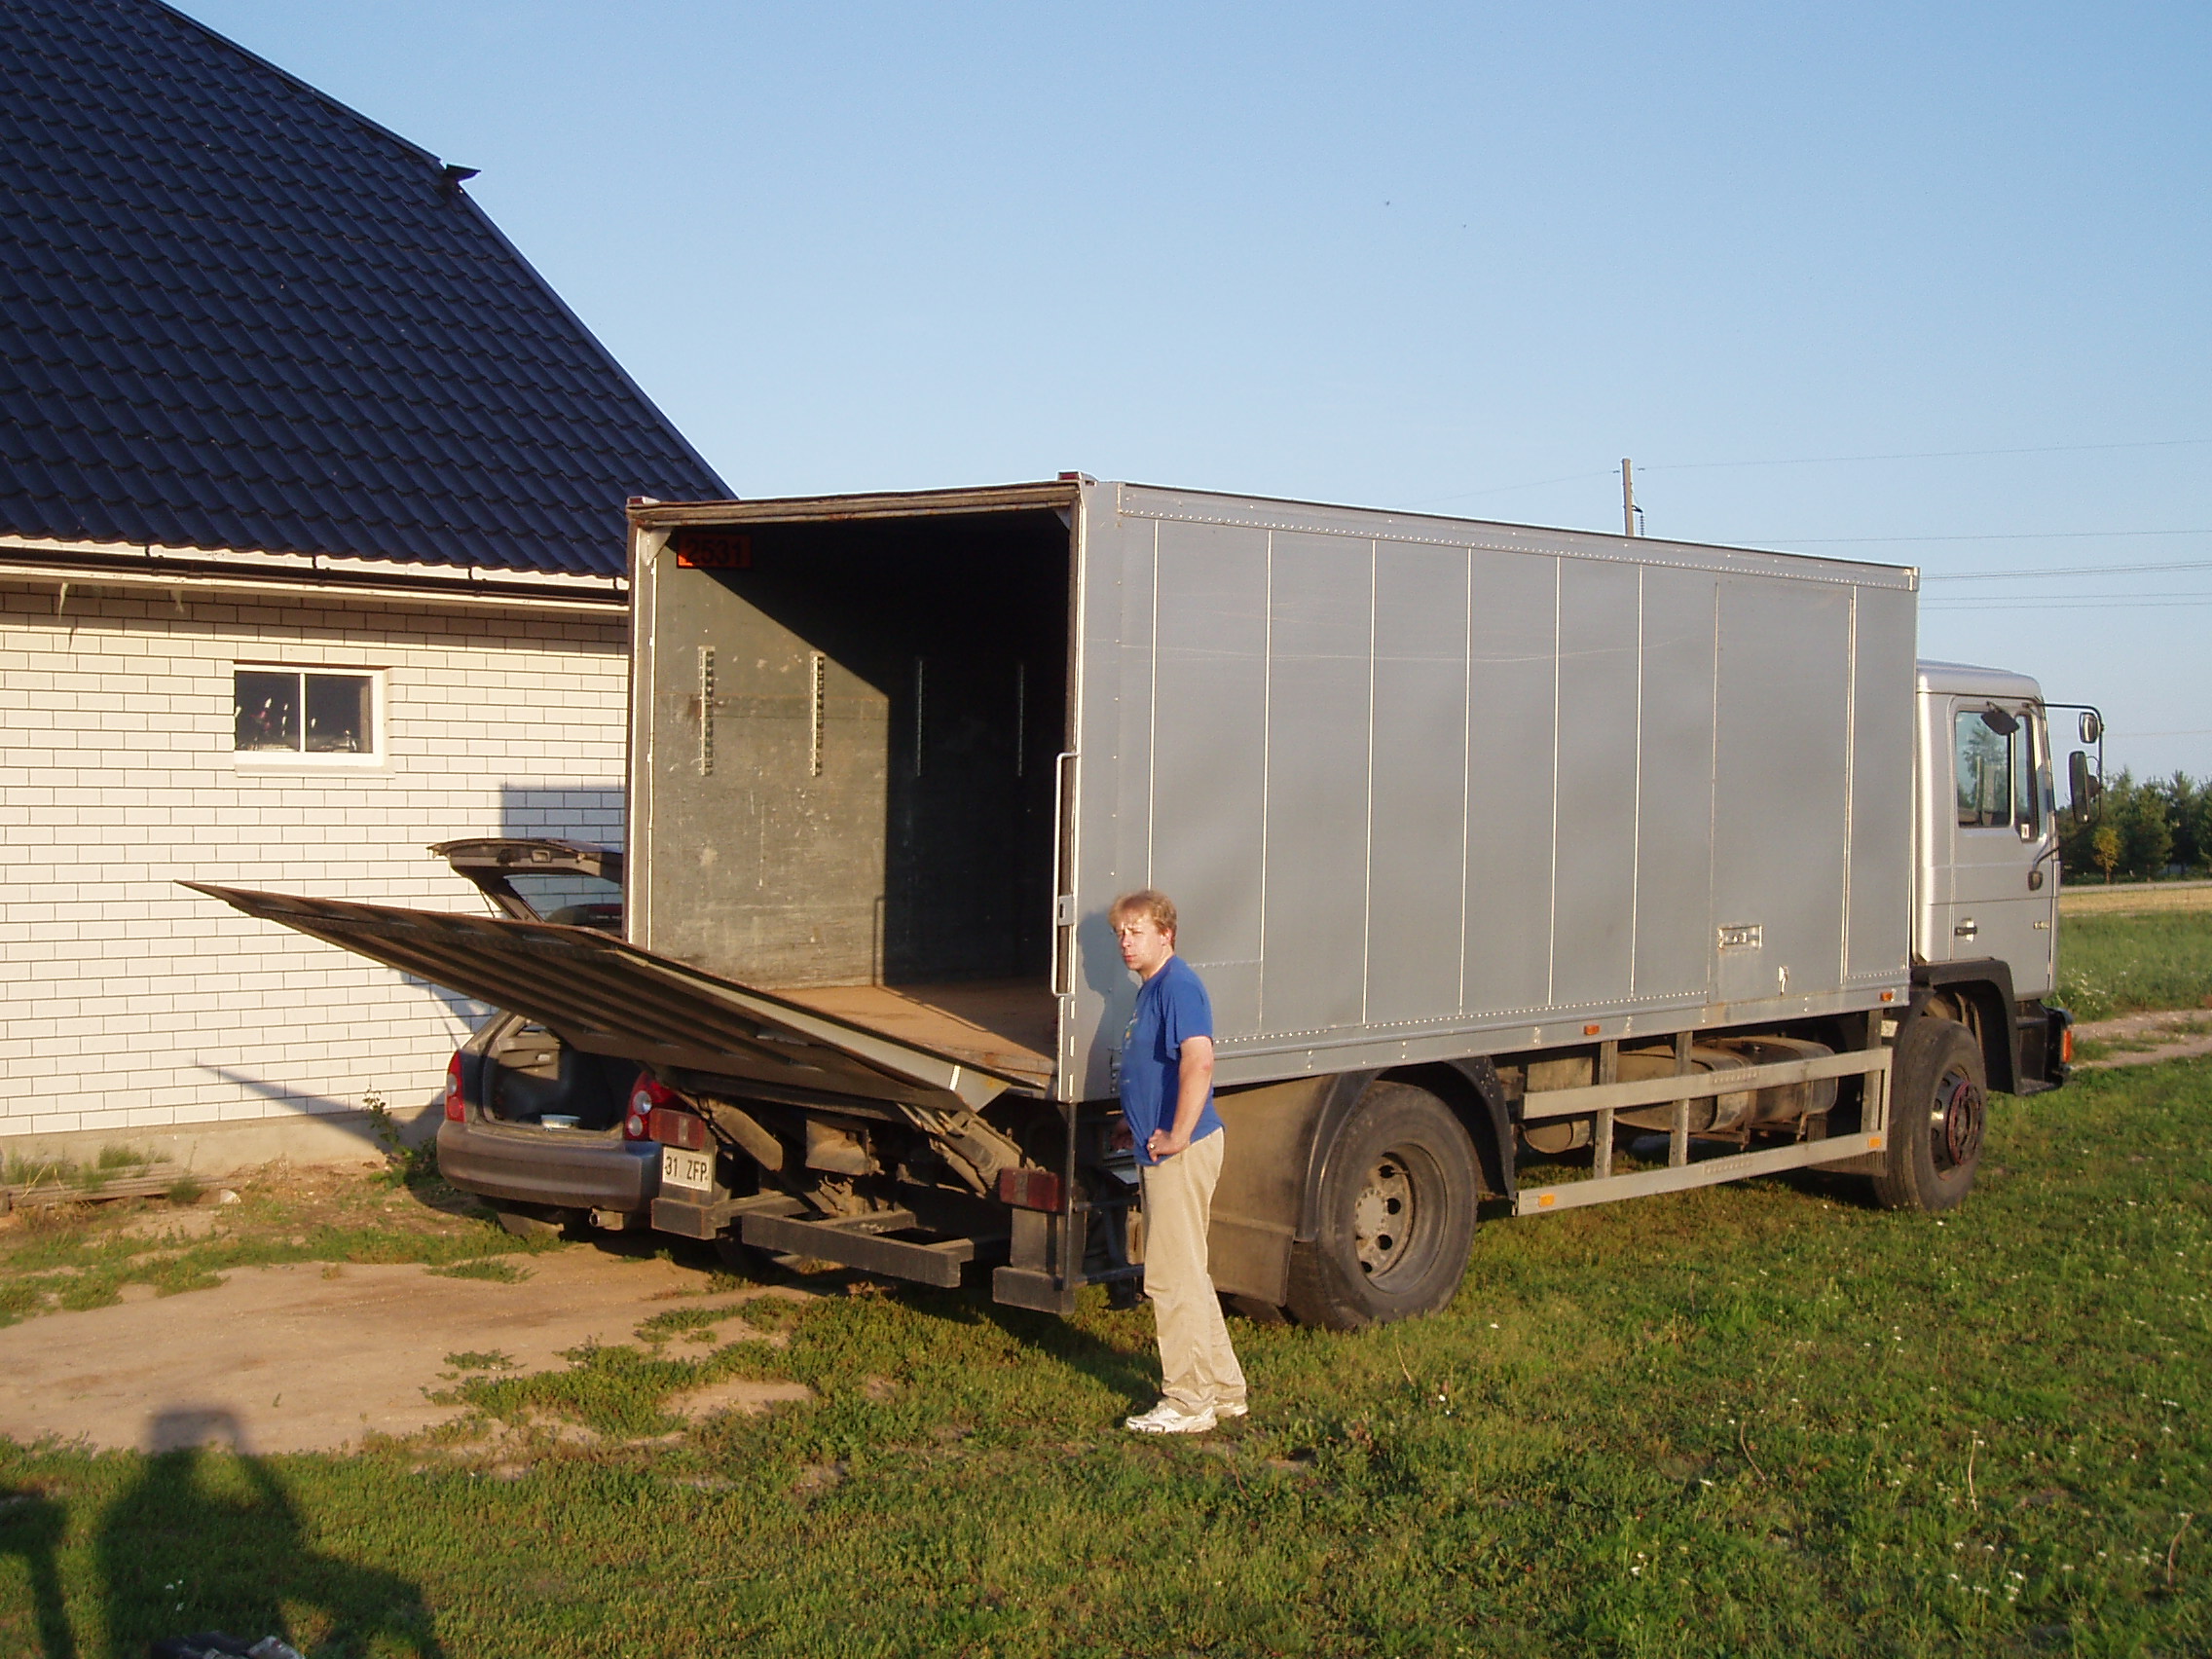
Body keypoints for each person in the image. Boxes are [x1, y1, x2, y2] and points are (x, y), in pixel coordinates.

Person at [1111, 889, 1248, 1434]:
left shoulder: (1179, 986)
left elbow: (1199, 1061)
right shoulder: (1151, 990)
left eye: (1137, 931)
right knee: (1190, 1270)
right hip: (1160, 1142)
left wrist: (1177, 1135)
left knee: (1169, 1276)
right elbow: (1158, 1069)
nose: (1126, 941)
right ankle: (1225, 1390)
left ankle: (1188, 1402)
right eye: (1121, 933)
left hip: (1181, 1153)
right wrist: (1137, 1121)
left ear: (1166, 933)